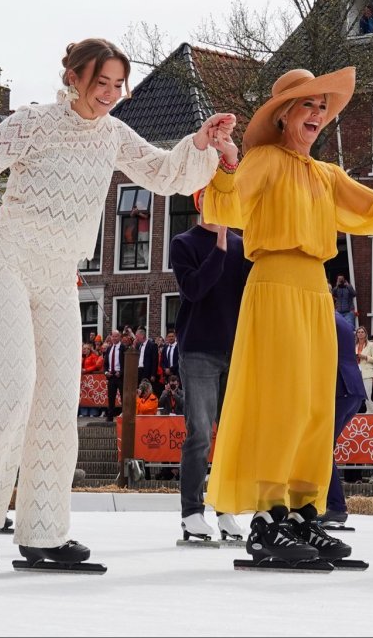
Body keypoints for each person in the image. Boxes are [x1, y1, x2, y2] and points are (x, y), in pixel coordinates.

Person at [0, 38, 230, 571]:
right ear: (72, 77)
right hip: (5, 262)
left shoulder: (115, 134)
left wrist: (201, 143)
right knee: (13, 382)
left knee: (55, 398)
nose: (111, 95)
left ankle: (44, 531)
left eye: (119, 85)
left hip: (56, 278)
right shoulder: (34, 123)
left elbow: (165, 174)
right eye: (101, 84)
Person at [203, 66, 373, 568]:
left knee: (313, 406)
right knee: (281, 400)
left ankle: (304, 511)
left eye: (323, 107)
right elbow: (228, 205)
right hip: (274, 282)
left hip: (315, 290)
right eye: (309, 105)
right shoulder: (263, 160)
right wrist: (225, 164)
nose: (319, 114)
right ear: (284, 114)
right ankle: (268, 518)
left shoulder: (326, 175)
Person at [170, 187, 250, 544]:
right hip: (199, 349)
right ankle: (191, 513)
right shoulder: (183, 243)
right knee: (200, 432)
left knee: (233, 438)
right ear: (200, 201)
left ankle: (226, 509)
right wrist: (220, 244)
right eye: (212, 197)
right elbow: (194, 289)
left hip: (234, 351)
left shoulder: (243, 246)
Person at [321, 312, 369, 527]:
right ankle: (329, 504)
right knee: (323, 447)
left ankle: (335, 506)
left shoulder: (321, 315)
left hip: (338, 387)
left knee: (321, 449)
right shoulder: (340, 318)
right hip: (352, 386)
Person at [102, 330, 125, 422]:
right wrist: (106, 372)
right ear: (110, 337)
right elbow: (105, 364)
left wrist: (121, 372)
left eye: (116, 336)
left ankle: (124, 416)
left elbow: (126, 362)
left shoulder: (124, 348)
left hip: (120, 376)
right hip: (111, 376)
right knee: (111, 397)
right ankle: (110, 416)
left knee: (123, 396)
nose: (114, 338)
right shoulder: (109, 348)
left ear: (119, 337)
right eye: (113, 336)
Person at [355, 326, 373, 413]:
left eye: (362, 332)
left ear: (365, 334)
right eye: (358, 332)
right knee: (356, 395)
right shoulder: (354, 345)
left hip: (367, 372)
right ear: (356, 334)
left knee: (368, 394)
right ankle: (357, 412)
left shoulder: (371, 345)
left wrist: (365, 357)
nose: (360, 334)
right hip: (356, 372)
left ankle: (371, 413)